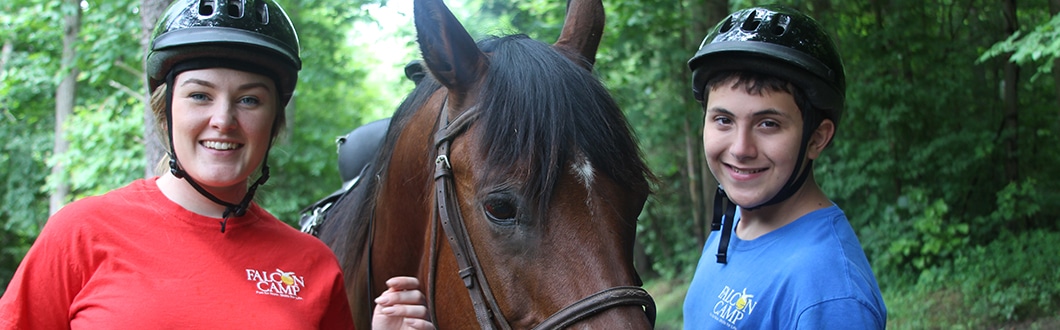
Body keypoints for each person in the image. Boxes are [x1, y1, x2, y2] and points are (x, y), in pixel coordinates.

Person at [0, 0, 431, 329]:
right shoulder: (81, 233)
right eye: (200, 95)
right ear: (165, 110)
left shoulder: (311, 265)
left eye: (249, 99)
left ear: (273, 122)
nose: (223, 119)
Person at [682, 4, 887, 329]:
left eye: (768, 124)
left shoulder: (829, 293)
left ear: (816, 138)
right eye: (723, 120)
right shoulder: (731, 222)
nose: (740, 149)